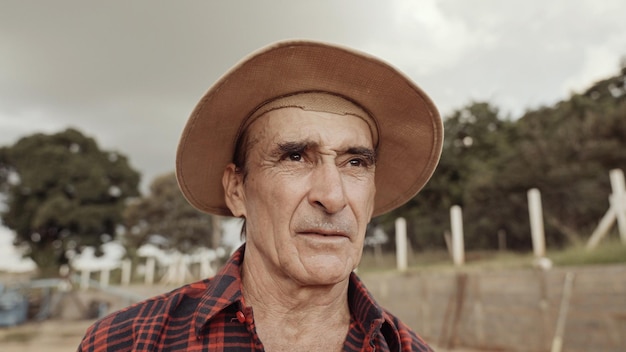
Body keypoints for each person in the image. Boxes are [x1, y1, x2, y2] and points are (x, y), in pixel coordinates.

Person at [78, 40, 443, 352]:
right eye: (295, 156)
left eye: (355, 162)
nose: (333, 197)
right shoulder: (128, 342)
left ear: (372, 194)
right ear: (237, 190)